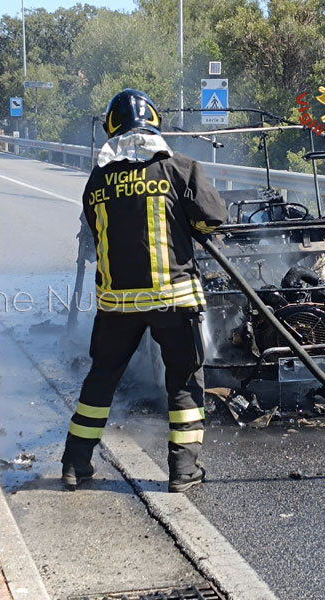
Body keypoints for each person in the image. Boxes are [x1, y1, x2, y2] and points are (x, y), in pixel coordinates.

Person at [60, 89, 228, 493]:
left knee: (101, 380)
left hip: (117, 305)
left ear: (112, 130)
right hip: (174, 299)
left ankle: (75, 464)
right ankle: (183, 470)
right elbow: (213, 220)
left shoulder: (97, 180)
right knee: (183, 381)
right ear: (154, 123)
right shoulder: (180, 168)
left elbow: (98, 234)